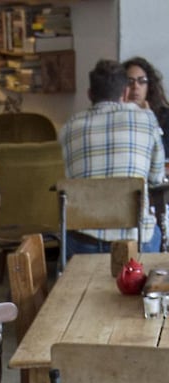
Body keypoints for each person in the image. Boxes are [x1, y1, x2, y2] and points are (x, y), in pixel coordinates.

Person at [59, 59, 165, 257]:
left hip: (83, 243)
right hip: (135, 242)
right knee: (158, 230)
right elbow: (156, 178)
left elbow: (72, 176)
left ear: (90, 94)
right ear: (125, 93)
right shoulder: (146, 118)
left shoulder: (68, 127)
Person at [123, 56, 169, 158]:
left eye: (142, 81)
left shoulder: (165, 116)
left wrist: (150, 120)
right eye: (130, 81)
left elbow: (165, 154)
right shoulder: (115, 116)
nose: (135, 86)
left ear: (149, 86)